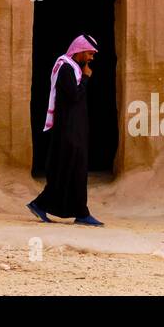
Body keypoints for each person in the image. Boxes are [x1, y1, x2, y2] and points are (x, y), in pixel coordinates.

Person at [27, 34, 105, 226]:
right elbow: (73, 97)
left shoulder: (73, 68)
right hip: (67, 130)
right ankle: (43, 205)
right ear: (79, 51)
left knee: (75, 171)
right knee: (67, 170)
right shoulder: (65, 68)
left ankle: (80, 212)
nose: (91, 58)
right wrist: (86, 79)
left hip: (74, 129)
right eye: (89, 53)